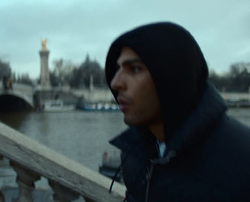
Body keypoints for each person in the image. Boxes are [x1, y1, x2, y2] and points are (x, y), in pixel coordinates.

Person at [105, 22, 250, 202]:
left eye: (134, 69)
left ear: (172, 77)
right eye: (117, 69)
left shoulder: (242, 162)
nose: (115, 83)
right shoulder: (134, 153)